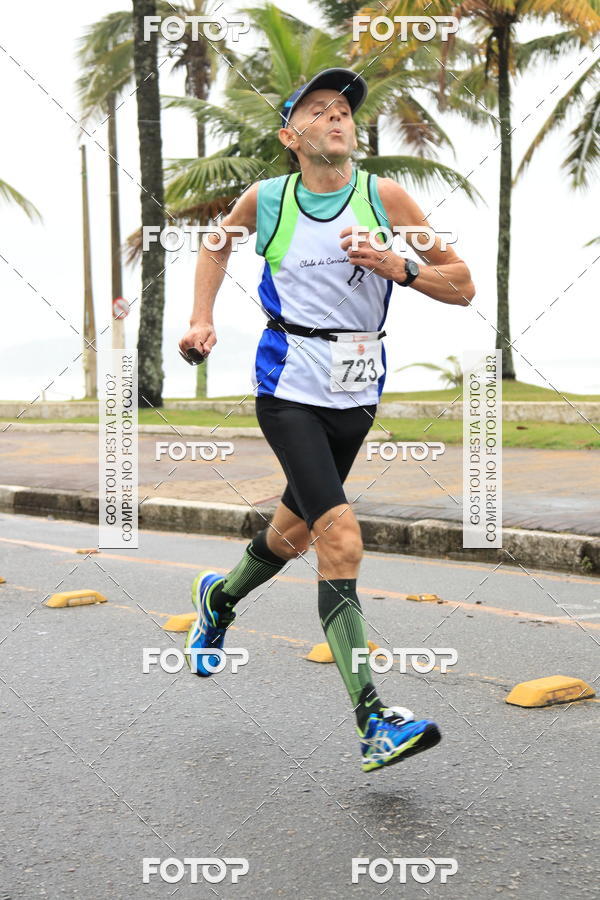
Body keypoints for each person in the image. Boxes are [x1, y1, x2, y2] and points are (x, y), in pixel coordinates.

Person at [179, 68, 475, 772]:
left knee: (293, 534)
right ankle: (373, 721)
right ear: (291, 136)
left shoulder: (385, 197)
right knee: (339, 539)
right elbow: (217, 242)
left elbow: (462, 285)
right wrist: (200, 318)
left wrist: (400, 267)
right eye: (319, 110)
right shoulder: (267, 199)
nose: (337, 117)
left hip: (358, 389)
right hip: (288, 387)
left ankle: (219, 598)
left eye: (344, 110)